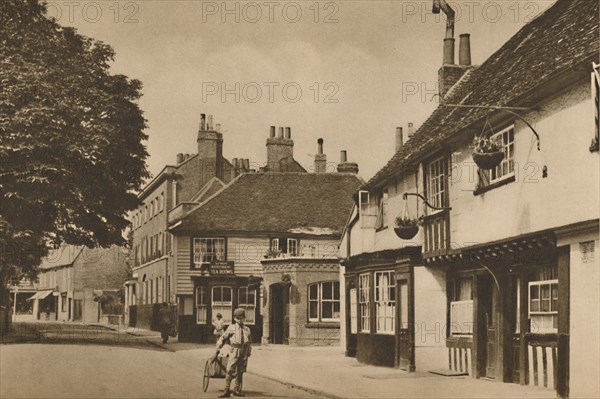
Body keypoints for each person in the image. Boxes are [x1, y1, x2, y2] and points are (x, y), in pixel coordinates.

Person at [215, 308, 252, 397]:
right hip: (234, 350)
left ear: (244, 318)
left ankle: (236, 390)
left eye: (241, 318)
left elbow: (249, 342)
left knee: (240, 371)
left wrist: (249, 351)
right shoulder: (232, 328)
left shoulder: (247, 329)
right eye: (238, 318)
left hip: (243, 351)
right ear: (235, 319)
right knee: (229, 370)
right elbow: (223, 337)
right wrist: (219, 346)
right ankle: (226, 390)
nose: (240, 320)